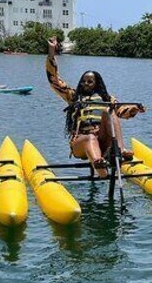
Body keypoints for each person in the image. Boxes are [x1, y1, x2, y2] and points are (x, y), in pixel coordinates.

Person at [46, 36, 144, 178]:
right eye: (83, 81)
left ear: (96, 84)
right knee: (89, 138)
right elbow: (53, 79)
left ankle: (121, 150)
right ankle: (102, 170)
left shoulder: (106, 99)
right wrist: (51, 51)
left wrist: (133, 109)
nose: (86, 84)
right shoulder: (73, 96)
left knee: (109, 111)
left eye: (90, 81)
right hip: (80, 143)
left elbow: (121, 111)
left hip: (103, 140)